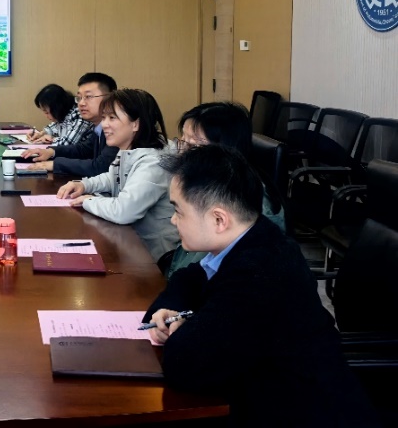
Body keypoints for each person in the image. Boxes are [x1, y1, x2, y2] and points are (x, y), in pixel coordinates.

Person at [144, 145, 378, 426]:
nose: (173, 220)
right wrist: (171, 308)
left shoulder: (258, 273)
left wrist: (183, 327)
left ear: (219, 219)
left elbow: (184, 365)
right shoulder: (254, 235)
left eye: (178, 211)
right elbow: (189, 277)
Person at [165, 101, 286, 277]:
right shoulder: (207, 184)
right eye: (182, 142)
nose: (182, 154)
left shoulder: (251, 206)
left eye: (192, 147)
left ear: (224, 148)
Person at [57, 88, 178, 262]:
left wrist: (88, 200)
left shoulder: (154, 162)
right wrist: (84, 184)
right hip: (131, 242)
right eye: (104, 117)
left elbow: (124, 211)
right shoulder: (129, 148)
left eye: (112, 118)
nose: (104, 124)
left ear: (135, 124)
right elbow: (111, 176)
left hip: (154, 256)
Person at [21, 72, 118, 176]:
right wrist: (51, 152)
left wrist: (56, 164)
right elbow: (83, 149)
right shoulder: (98, 127)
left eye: (88, 96)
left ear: (109, 98)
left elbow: (100, 167)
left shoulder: (116, 128)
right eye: (79, 98)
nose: (81, 103)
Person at [25, 83, 92, 147]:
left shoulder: (80, 115)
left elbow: (68, 144)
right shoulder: (63, 113)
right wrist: (41, 133)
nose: (46, 116)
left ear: (56, 108)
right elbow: (54, 127)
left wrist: (51, 139)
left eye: (47, 112)